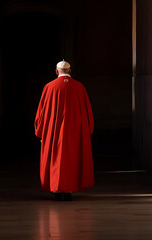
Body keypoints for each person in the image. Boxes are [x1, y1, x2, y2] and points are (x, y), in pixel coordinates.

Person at [34, 60, 95, 201]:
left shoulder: (49, 87)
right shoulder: (80, 87)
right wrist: (86, 131)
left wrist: (41, 131)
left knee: (56, 159)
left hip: (54, 133)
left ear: (56, 71)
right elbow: (87, 113)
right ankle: (68, 191)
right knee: (72, 159)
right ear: (70, 71)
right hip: (74, 133)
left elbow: (41, 114)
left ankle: (57, 189)